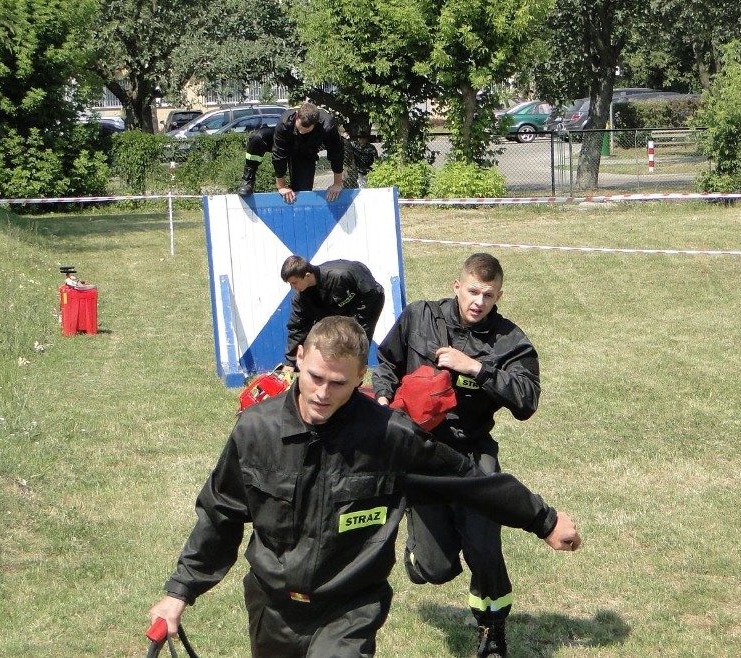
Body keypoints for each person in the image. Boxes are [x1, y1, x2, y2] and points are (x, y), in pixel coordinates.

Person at [149, 316, 581, 658]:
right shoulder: (255, 431)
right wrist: (178, 594)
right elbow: (220, 516)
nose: (321, 392)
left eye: (338, 383)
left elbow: (470, 481)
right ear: (299, 357)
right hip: (272, 605)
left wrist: (543, 520)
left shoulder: (389, 435)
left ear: (360, 377)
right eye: (315, 376)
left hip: (350, 607)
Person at [371, 253, 540, 658]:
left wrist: (477, 369)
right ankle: (422, 554)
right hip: (421, 451)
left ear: (499, 295)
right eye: (472, 291)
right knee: (436, 568)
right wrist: (381, 398)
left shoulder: (509, 340)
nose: (479, 301)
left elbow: (527, 400)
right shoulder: (419, 317)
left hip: (472, 452)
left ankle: (492, 630)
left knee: (484, 546)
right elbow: (386, 363)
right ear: (456, 286)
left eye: (488, 294)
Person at [280, 255, 385, 374]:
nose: (292, 287)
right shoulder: (300, 298)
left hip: (368, 300)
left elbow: (369, 288)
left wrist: (356, 323)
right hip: (334, 308)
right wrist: (290, 362)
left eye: (294, 283)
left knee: (355, 340)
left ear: (307, 275)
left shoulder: (341, 274)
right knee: (329, 339)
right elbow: (297, 327)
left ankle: (354, 376)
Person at [237, 101, 345, 203]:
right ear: (297, 116)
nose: (302, 131)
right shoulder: (285, 121)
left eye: (307, 130)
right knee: (258, 138)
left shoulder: (328, 126)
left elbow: (337, 153)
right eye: (300, 127)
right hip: (286, 144)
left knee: (302, 194)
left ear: (315, 124)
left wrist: (337, 184)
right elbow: (279, 155)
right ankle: (248, 180)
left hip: (305, 152)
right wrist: (281, 186)